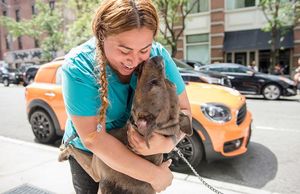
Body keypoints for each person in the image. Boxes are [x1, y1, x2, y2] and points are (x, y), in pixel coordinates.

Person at [61, 0, 191, 193]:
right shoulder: (79, 68)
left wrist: (165, 143)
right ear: (102, 36)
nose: (134, 60)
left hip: (144, 155)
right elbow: (93, 137)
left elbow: (186, 111)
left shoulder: (157, 59)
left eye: (144, 50)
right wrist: (155, 176)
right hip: (91, 154)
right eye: (124, 50)